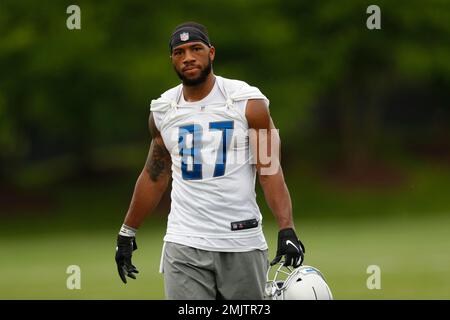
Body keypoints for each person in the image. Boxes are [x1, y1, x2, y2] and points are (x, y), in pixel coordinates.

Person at [114, 21, 305, 300]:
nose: (188, 57)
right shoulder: (163, 111)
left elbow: (270, 170)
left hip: (241, 241)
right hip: (184, 242)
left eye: (196, 49)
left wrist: (287, 228)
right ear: (172, 60)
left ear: (211, 53)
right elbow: (154, 176)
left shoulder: (247, 103)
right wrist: (126, 232)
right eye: (179, 52)